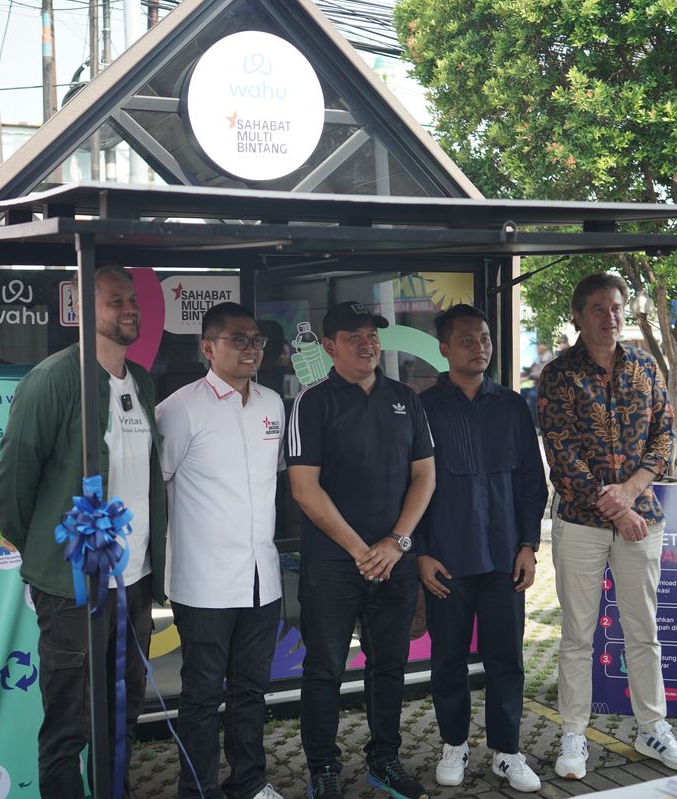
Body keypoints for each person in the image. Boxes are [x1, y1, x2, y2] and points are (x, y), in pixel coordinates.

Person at [0, 264, 165, 799]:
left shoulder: (142, 381)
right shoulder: (53, 380)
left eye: (132, 299)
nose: (130, 309)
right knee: (69, 723)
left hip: (134, 581)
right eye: (116, 301)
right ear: (82, 310)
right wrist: (51, 551)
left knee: (122, 714)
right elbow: (13, 485)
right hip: (73, 587)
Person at [537, 273, 677, 780]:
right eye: (599, 309)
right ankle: (573, 734)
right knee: (577, 636)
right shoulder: (558, 375)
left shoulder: (645, 366)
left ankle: (653, 728)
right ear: (578, 317)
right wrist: (618, 509)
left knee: (643, 631)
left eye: (617, 307)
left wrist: (631, 493)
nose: (611, 316)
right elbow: (561, 456)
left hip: (642, 517)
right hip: (581, 523)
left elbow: (663, 435)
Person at [286, 301, 436, 799]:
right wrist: (360, 550)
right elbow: (304, 488)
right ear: (330, 347)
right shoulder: (313, 402)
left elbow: (425, 475)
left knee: (389, 665)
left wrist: (395, 543)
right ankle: (323, 768)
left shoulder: (405, 398)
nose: (367, 344)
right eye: (353, 337)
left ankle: (384, 761)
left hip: (394, 560)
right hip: (333, 563)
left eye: (372, 335)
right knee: (324, 669)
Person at [155, 303, 286, 799]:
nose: (251, 348)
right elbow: (157, 485)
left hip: (261, 577)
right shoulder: (180, 409)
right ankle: (199, 789)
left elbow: (271, 481)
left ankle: (248, 782)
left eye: (256, 340)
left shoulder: (273, 404)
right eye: (238, 339)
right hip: (203, 580)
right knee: (202, 695)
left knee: (251, 691)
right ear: (208, 348)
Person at [417, 304, 547, 793]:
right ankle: (453, 743)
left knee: (506, 660)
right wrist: (421, 552)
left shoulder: (511, 405)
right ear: (445, 348)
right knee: (448, 660)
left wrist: (529, 545)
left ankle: (507, 751)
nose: (480, 348)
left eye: (486, 338)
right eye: (467, 340)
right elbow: (410, 486)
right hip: (446, 560)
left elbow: (533, 482)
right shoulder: (425, 408)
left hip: (504, 558)